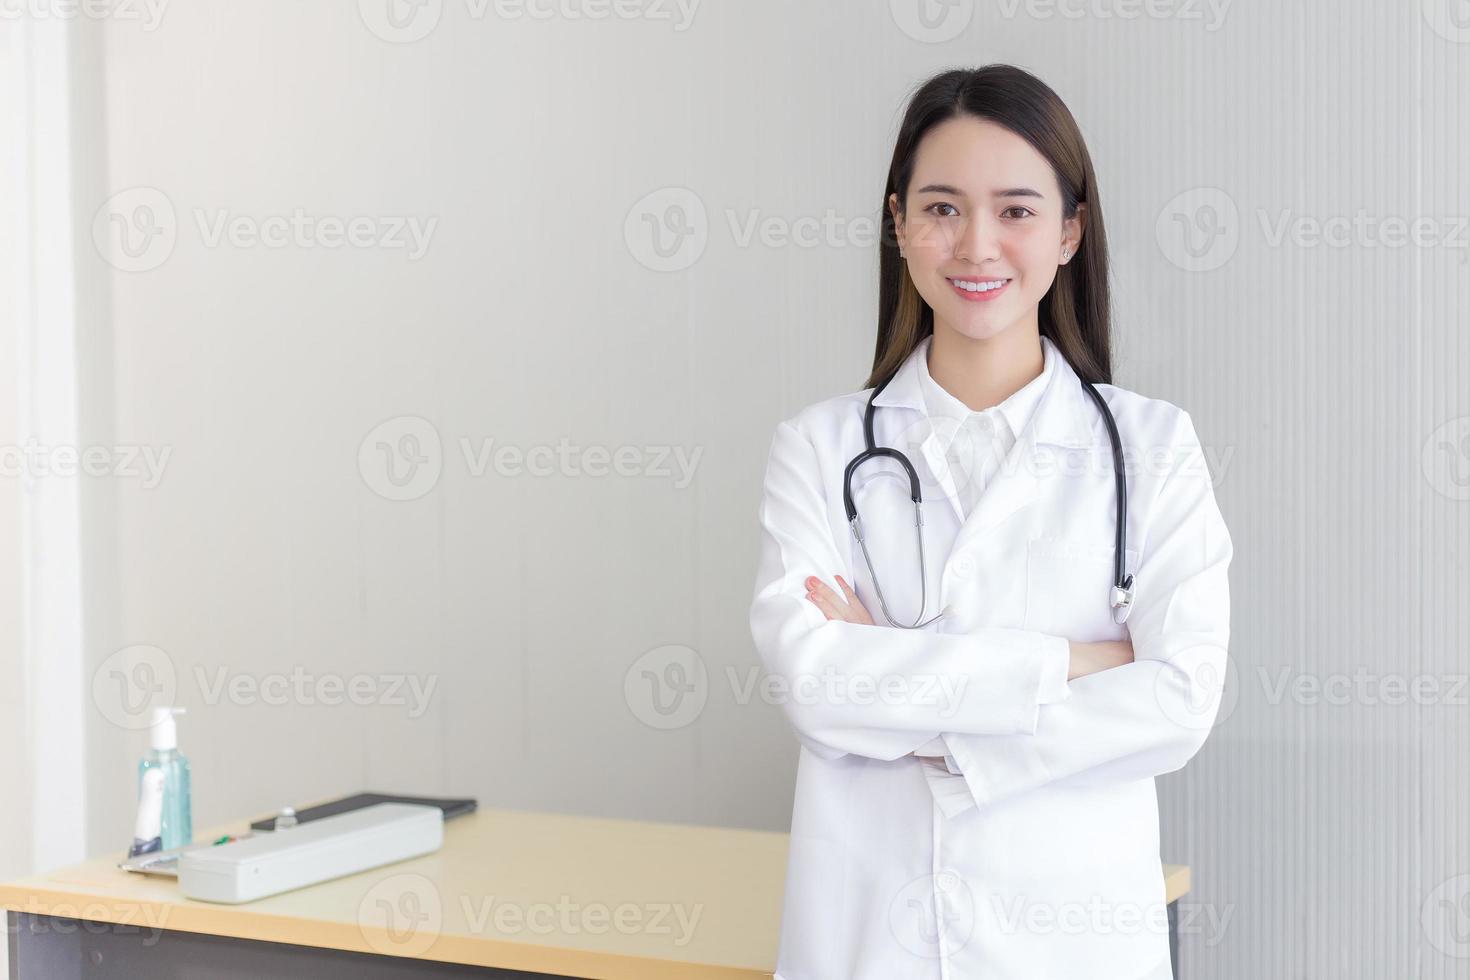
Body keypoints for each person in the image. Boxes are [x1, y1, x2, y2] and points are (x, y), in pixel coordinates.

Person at [748, 64, 1233, 979]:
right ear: (899, 226)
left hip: (1074, 944)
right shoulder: (817, 450)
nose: (976, 245)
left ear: (1069, 231)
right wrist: (1079, 662)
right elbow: (817, 686)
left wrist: (893, 680)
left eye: (1015, 210)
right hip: (868, 940)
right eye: (940, 209)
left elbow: (1179, 701)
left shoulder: (1153, 448)